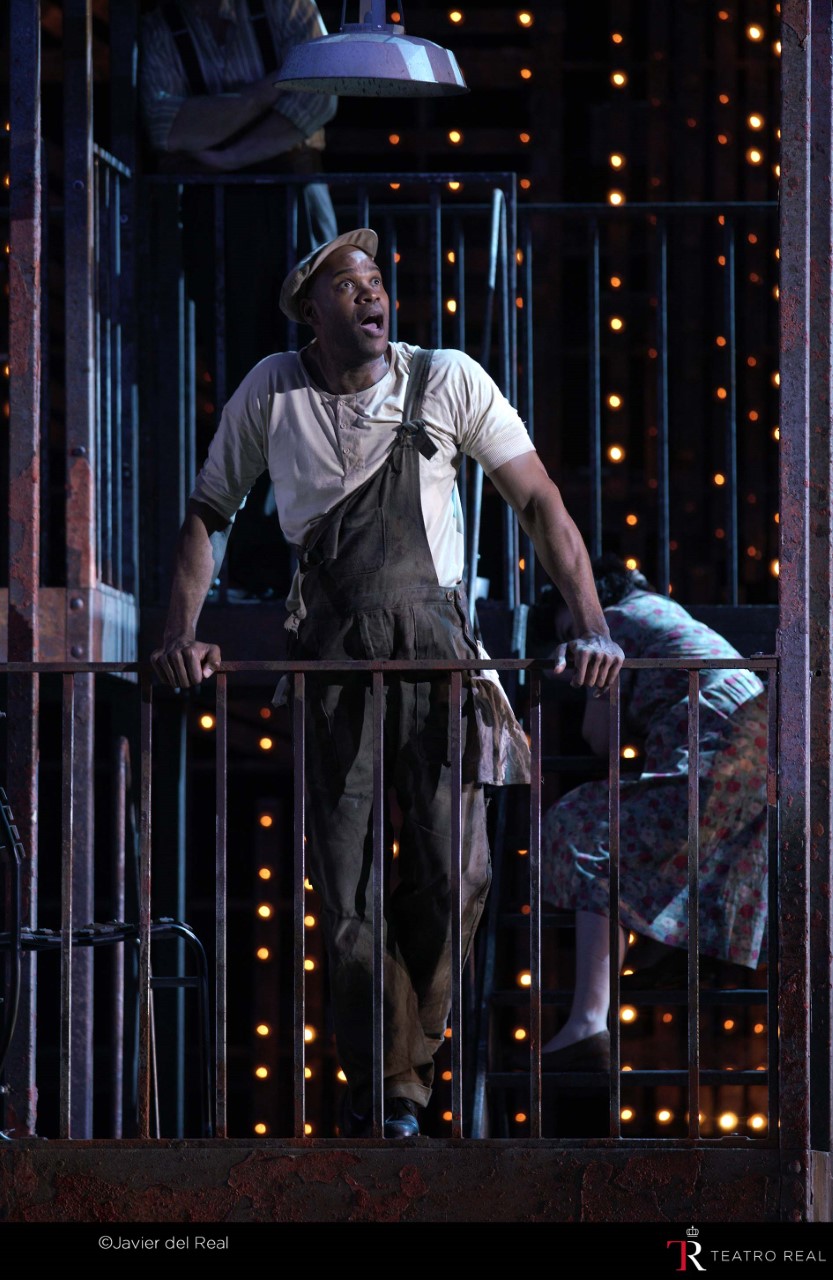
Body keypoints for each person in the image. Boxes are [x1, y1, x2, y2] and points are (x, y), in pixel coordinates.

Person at [150, 228, 625, 1137]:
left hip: (438, 658)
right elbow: (207, 515)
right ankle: (388, 1091)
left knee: (456, 871)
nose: (371, 294)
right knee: (347, 893)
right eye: (347, 285)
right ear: (310, 312)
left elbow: (538, 501)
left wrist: (593, 625)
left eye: (375, 280)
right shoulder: (273, 389)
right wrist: (181, 636)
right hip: (332, 663)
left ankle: (405, 1064)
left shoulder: (443, 378)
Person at [529, 554, 768, 1072]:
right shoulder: (662, 612)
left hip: (716, 757)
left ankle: (588, 1021)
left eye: (571, 628)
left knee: (583, 829)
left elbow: (598, 739)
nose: (575, 640)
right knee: (643, 841)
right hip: (754, 757)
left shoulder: (611, 623)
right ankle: (663, 952)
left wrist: (583, 673)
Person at [139, 0, 340, 596]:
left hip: (293, 207)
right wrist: (266, 92)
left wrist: (223, 153)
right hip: (216, 221)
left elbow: (318, 98)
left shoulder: (286, 6)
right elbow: (166, 126)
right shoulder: (163, 25)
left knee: (315, 378)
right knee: (240, 386)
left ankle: (314, 555)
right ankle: (248, 559)